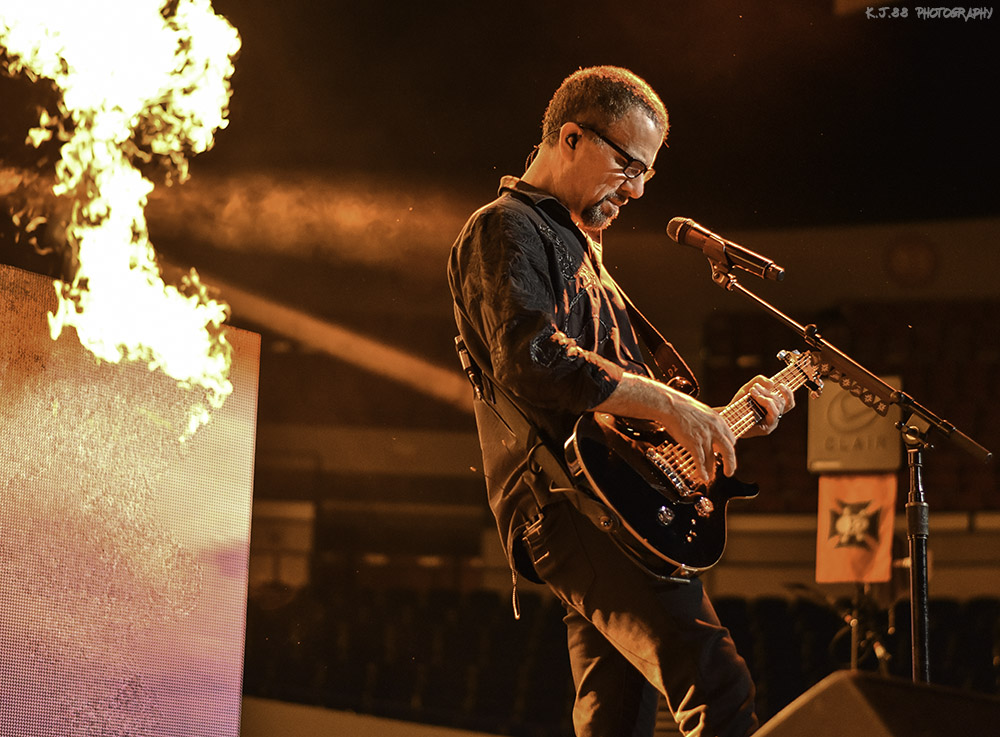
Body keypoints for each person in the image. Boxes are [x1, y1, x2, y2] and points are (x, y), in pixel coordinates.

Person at [447, 65, 794, 737]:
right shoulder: (505, 226)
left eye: (646, 174)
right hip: (570, 501)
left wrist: (720, 421)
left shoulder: (584, 250)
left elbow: (624, 403)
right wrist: (672, 407)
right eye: (627, 166)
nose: (635, 189)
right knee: (718, 687)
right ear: (571, 138)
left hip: (607, 501)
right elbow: (532, 358)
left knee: (616, 719)